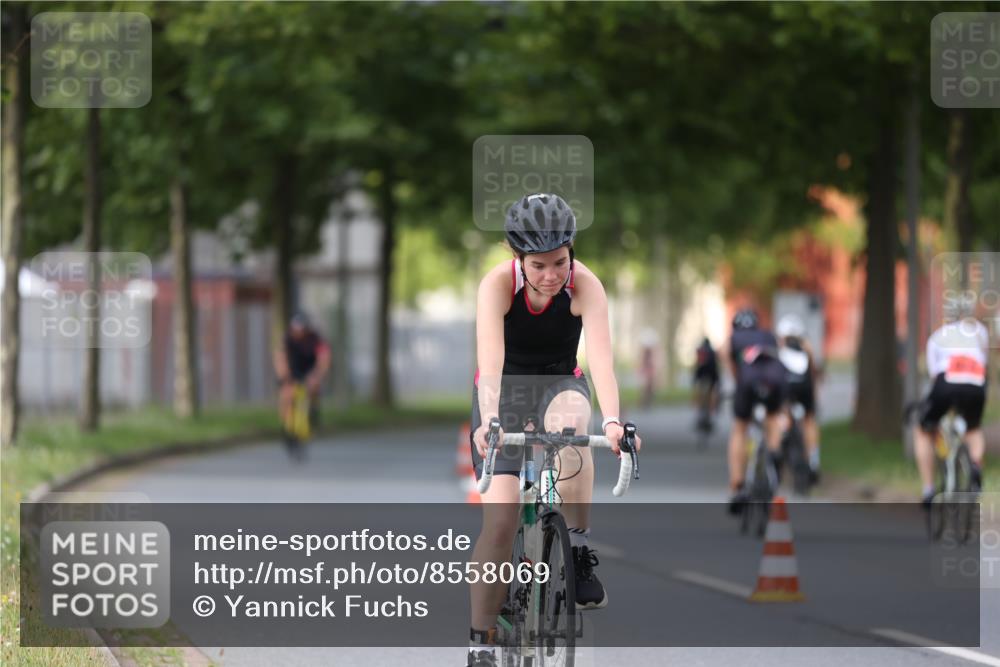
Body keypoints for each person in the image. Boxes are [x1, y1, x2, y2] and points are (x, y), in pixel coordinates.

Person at [466, 193, 641, 667]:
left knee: (572, 425)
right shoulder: (497, 286)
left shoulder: (585, 285)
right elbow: (491, 360)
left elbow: (601, 361)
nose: (550, 275)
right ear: (517, 257)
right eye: (539, 265)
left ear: (571, 250)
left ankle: (578, 545)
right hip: (503, 389)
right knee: (499, 524)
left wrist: (612, 422)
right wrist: (490, 421)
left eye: (560, 261)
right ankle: (481, 641)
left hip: (561, 380)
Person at [914, 304, 989, 508]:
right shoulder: (980, 333)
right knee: (973, 428)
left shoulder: (937, 337)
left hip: (946, 382)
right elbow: (985, 362)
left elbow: (933, 376)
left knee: (923, 430)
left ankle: (929, 489)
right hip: (975, 383)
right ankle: (975, 464)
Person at [721, 308, 787, 514]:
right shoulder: (769, 336)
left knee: (740, 428)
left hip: (748, 381)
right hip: (775, 380)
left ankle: (737, 484)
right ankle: (775, 452)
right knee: (773, 417)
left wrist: (738, 381)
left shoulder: (732, 339)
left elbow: (727, 360)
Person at [272, 312, 331, 453]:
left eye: (302, 330)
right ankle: (286, 429)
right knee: (286, 395)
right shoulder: (286, 339)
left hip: (309, 369)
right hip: (292, 370)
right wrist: (284, 377)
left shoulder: (315, 339)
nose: (299, 333)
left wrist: (317, 375)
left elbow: (324, 358)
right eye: (296, 330)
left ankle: (312, 413)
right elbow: (280, 357)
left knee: (312, 388)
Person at [776, 314, 822, 485]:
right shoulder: (806, 347)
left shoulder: (779, 348)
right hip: (805, 388)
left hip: (786, 390)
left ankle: (779, 453)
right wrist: (815, 393)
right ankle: (813, 460)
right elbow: (813, 372)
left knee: (781, 414)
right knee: (809, 420)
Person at [692, 336, 720, 427]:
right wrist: (718, 380)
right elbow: (716, 366)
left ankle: (699, 412)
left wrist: (695, 378)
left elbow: (697, 365)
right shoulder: (713, 352)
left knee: (700, 394)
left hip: (701, 376)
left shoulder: (700, 351)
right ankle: (711, 413)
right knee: (712, 395)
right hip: (712, 376)